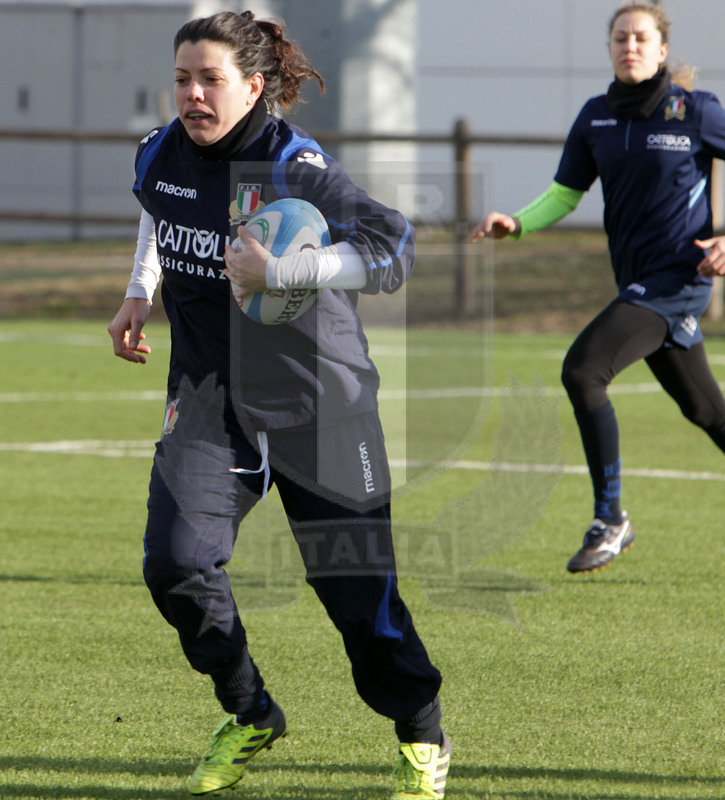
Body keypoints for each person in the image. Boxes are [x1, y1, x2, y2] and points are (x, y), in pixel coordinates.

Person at [108, 11, 450, 799]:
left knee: (361, 607)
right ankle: (249, 709)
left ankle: (421, 731)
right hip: (209, 399)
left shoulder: (295, 163)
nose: (193, 95)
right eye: (183, 79)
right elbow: (158, 210)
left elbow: (392, 247)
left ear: (254, 86)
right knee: (176, 566)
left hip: (320, 406)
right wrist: (139, 290)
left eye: (211, 80)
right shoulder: (160, 150)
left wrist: (286, 274)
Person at [471, 1, 725, 574]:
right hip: (637, 282)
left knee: (583, 370)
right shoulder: (596, 117)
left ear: (662, 50)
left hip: (676, 281)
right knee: (708, 412)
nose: (629, 46)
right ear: (609, 48)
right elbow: (565, 192)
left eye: (640, 38)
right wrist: (518, 223)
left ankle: (610, 519)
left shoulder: (696, 111)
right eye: (619, 38)